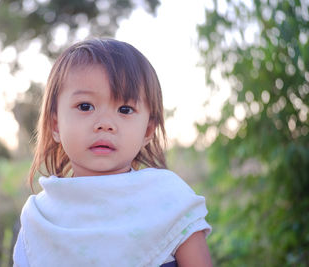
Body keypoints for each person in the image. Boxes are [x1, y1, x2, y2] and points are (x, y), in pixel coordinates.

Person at [13, 38, 212, 267]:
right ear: (56, 126)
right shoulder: (40, 218)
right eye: (85, 106)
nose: (105, 124)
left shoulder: (169, 200)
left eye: (125, 109)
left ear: (148, 130)